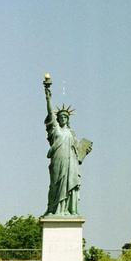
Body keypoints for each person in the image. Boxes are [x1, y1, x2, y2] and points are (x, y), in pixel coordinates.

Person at [43, 77, 92, 216]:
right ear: (58, 119)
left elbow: (79, 151)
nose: (63, 118)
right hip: (58, 160)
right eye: (61, 117)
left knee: (69, 185)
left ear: (68, 119)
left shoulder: (72, 133)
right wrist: (48, 98)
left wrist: (85, 149)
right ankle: (54, 208)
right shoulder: (55, 129)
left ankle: (68, 210)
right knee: (55, 185)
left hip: (71, 162)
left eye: (65, 117)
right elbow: (50, 113)